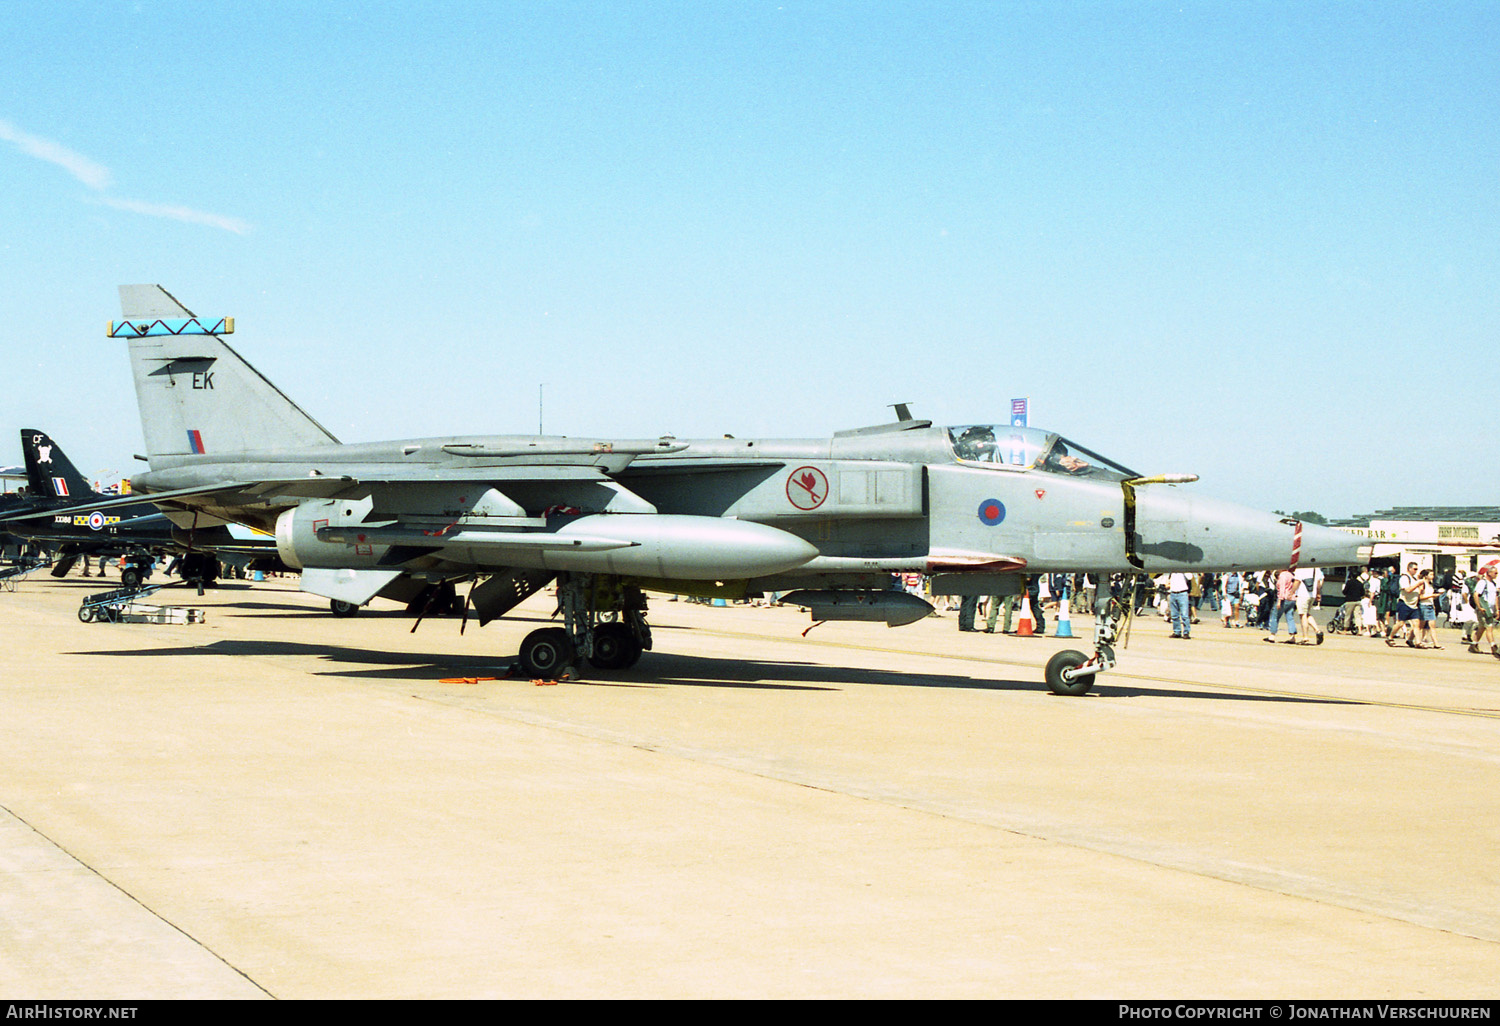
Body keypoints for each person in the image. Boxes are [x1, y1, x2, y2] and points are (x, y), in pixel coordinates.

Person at [1388, 562, 1422, 647]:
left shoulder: (1414, 579)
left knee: (1416, 624)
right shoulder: (1404, 578)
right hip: (1404, 603)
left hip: (1414, 605)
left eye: (1417, 569)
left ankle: (1418, 642)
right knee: (1400, 623)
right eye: (1414, 569)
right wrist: (1417, 584)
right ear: (1409, 568)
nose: (1416, 571)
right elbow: (1407, 590)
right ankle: (1390, 637)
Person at [1263, 567, 1299, 643]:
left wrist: (1279, 600)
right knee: (1290, 617)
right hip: (1291, 598)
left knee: (1275, 616)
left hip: (1284, 598)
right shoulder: (1291, 575)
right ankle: (1292, 636)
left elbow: (1282, 589)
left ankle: (1272, 635)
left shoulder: (1283, 575)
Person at [1470, 563, 1499, 657]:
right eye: (1495, 573)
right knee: (1489, 627)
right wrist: (1479, 607)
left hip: (1490, 609)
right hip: (1484, 609)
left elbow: (1495, 597)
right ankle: (1493, 647)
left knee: (1482, 627)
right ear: (1489, 573)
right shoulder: (1483, 582)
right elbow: (1476, 594)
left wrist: (1497, 609)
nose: (1496, 575)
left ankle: (1473, 644)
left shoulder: (1493, 584)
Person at [1168, 572, 1192, 638]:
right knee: (1174, 615)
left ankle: (1186, 632)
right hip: (1173, 593)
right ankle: (1177, 631)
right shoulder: (1171, 572)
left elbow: (1190, 577)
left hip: (1182, 593)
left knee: (1184, 615)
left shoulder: (1184, 571)